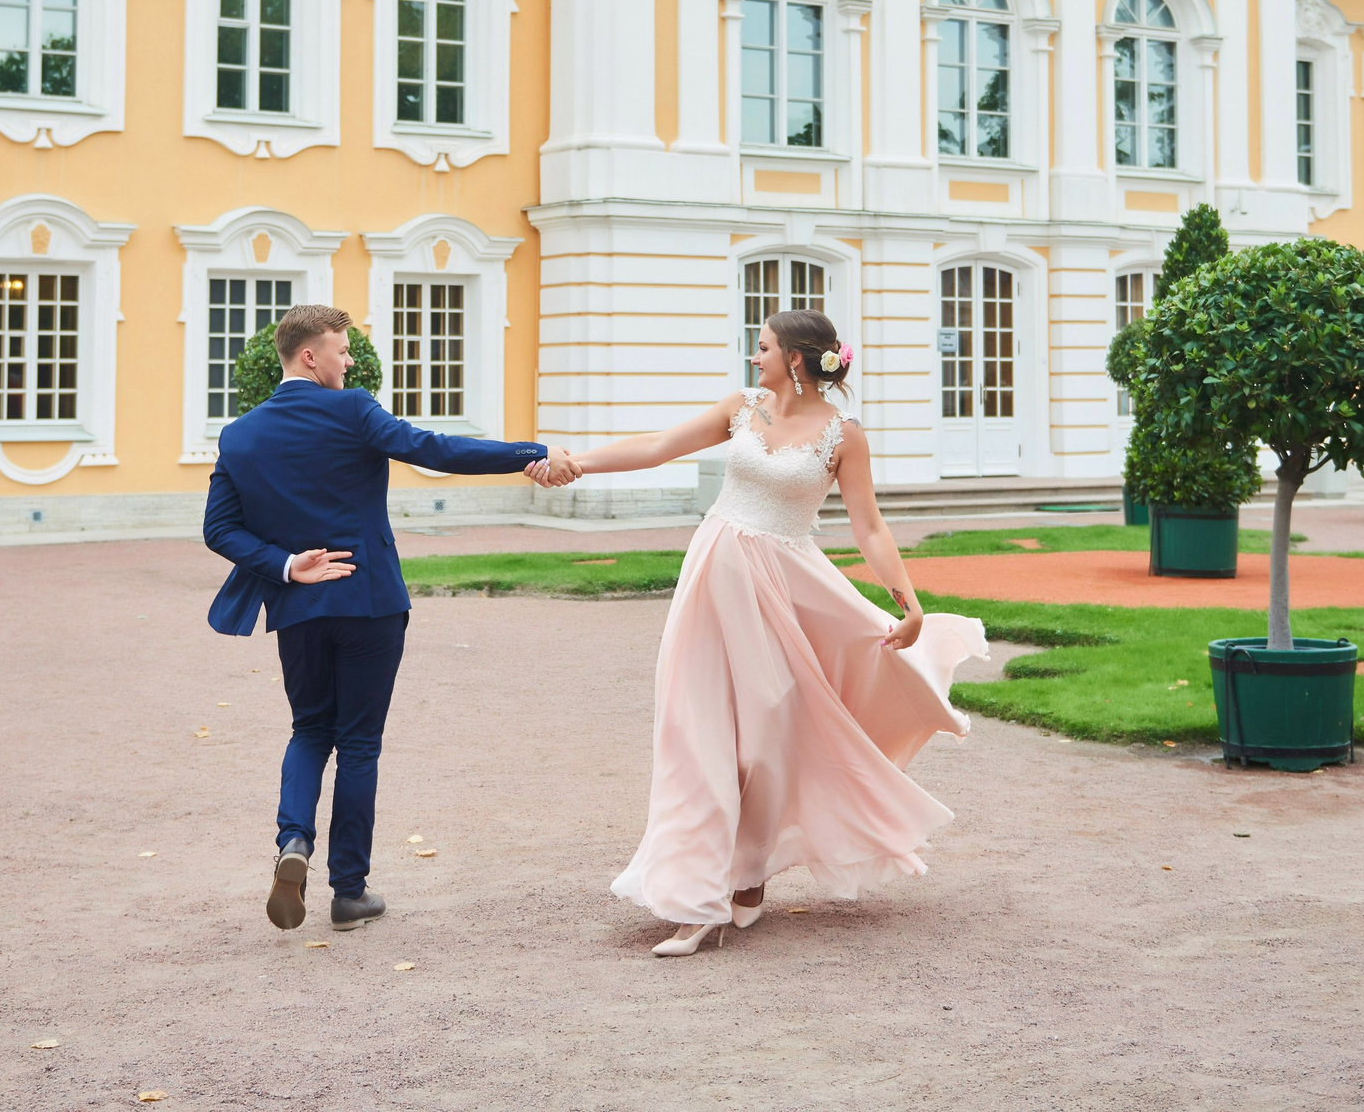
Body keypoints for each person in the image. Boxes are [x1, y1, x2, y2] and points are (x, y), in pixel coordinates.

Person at [552, 310, 988, 956]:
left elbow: (869, 526)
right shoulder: (741, 406)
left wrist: (909, 601)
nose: (753, 357)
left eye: (762, 347)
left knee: (768, 735)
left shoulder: (846, 435)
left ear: (796, 358)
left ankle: (748, 876)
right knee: (695, 729)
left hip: (786, 587)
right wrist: (575, 462)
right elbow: (657, 445)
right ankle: (698, 900)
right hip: (715, 576)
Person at [203, 303, 578, 933]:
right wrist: (530, 452)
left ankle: (292, 843)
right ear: (309, 356)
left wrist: (289, 565)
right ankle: (349, 893)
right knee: (359, 744)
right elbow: (433, 450)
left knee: (308, 730)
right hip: (371, 600)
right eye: (343, 350)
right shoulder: (352, 410)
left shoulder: (240, 433)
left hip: (298, 606)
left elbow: (219, 529)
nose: (351, 361)